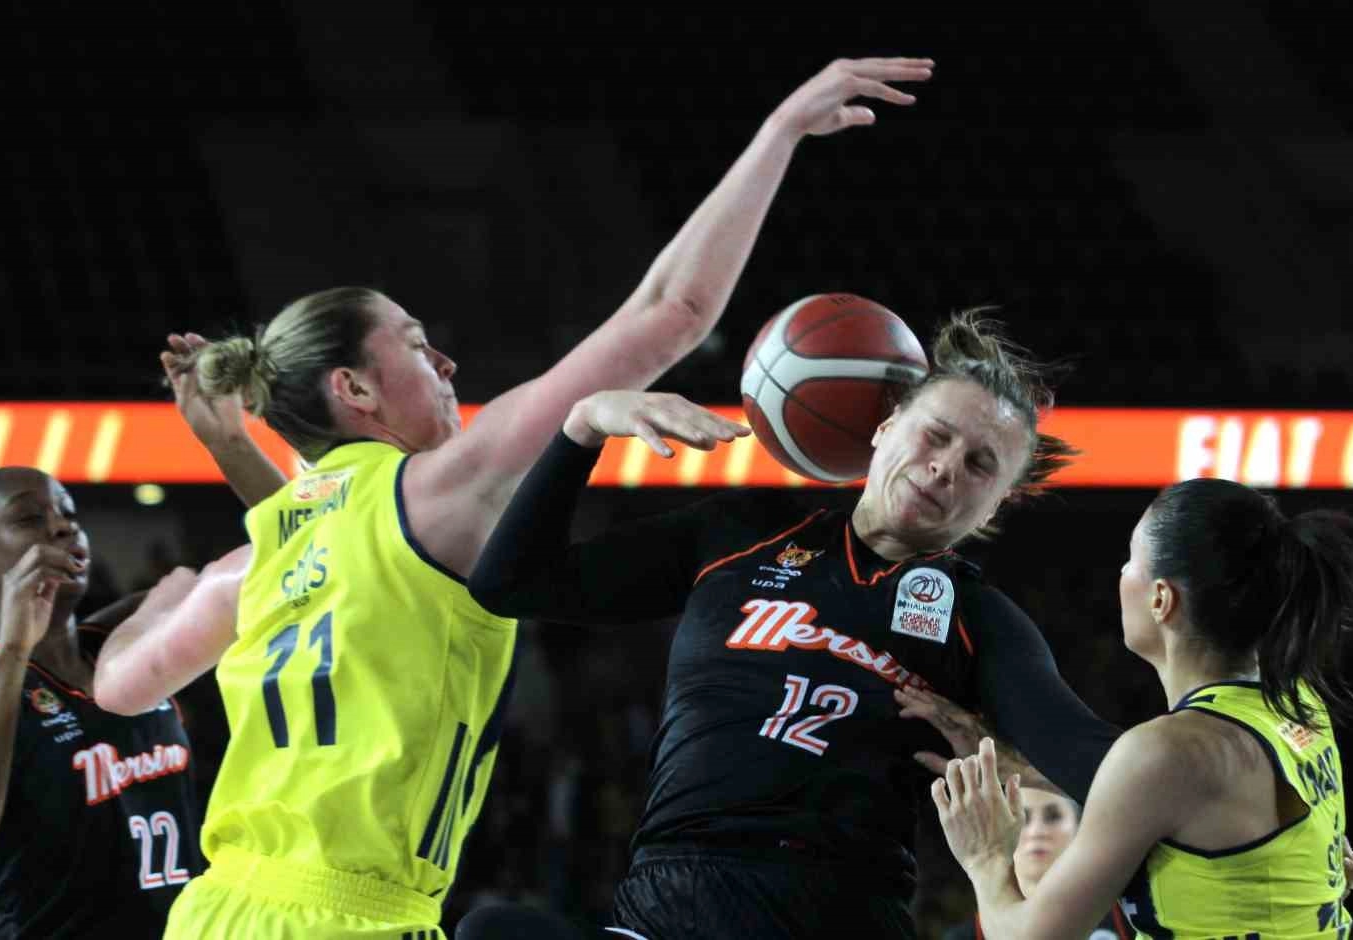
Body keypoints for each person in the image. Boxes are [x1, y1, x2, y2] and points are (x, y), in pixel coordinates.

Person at [91, 56, 936, 940]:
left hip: (214, 911)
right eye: (415, 344)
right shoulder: (439, 489)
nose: (445, 362)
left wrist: (176, 575)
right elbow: (672, 312)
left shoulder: (250, 561)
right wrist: (780, 130)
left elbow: (118, 686)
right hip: (352, 920)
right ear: (356, 390)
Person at [460, 312, 1121, 939]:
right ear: (885, 427)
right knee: (489, 929)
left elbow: (1096, 760)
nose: (946, 466)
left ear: (994, 508)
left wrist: (1016, 761)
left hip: (837, 911)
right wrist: (581, 429)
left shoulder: (978, 617)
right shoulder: (744, 531)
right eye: (936, 435)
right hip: (668, 903)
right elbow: (508, 582)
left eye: (980, 465)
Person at [931, 478, 1353, 939]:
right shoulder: (1297, 704)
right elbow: (1210, 808)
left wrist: (986, 857)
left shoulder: (1169, 752)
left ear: (1161, 599)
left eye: (1131, 560)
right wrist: (1027, 769)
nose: (1120, 573)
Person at [0, 468, 200, 938]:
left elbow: (256, 575)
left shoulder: (130, 638)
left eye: (68, 514)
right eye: (29, 518)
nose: (62, 527)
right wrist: (14, 648)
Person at [937, 788, 1127, 940]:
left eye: (1053, 816)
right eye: (1023, 817)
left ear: (1080, 827)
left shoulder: (1127, 917)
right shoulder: (967, 936)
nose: (1037, 831)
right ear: (999, 831)